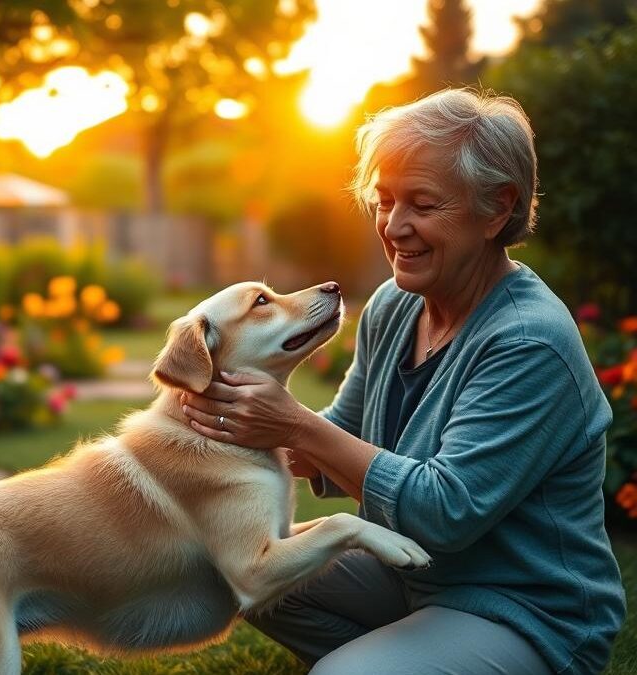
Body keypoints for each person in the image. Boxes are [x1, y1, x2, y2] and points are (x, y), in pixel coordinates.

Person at [180, 89, 625, 675]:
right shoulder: (396, 305)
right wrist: (222, 433)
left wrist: (294, 424)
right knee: (230, 562)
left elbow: (446, 510)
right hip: (415, 573)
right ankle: (406, 654)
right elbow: (339, 435)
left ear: (497, 208)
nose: (393, 226)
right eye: (384, 200)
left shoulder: (526, 342)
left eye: (422, 204)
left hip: (521, 608)